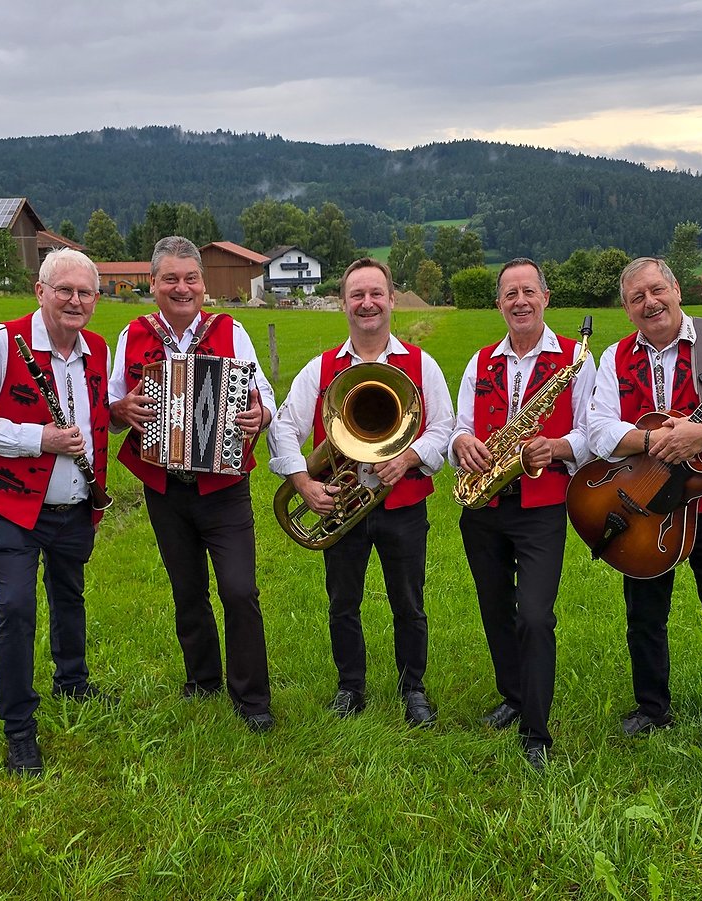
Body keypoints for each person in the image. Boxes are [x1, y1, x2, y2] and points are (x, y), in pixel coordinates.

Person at [587, 257, 702, 780]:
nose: (649, 303)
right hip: (645, 506)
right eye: (636, 298)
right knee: (644, 617)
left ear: (676, 290)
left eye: (656, 290)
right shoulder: (616, 357)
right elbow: (599, 429)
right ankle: (652, 708)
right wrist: (651, 440)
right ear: (627, 309)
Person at [0, 248, 113, 776]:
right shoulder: (2, 341)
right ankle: (19, 728)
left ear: (96, 299)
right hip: (12, 505)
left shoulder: (98, 349)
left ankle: (73, 683)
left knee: (69, 595)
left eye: (85, 292)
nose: (75, 300)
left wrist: (121, 413)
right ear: (40, 291)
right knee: (16, 608)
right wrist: (36, 439)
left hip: (76, 505)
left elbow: (94, 416)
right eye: (64, 290)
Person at [268, 258, 453, 727]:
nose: (367, 303)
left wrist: (409, 458)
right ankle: (350, 687)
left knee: (409, 603)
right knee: (342, 603)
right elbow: (284, 428)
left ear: (391, 299)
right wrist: (302, 482)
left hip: (403, 505)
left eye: (375, 294)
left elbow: (444, 427)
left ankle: (413, 689)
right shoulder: (322, 368)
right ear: (344, 303)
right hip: (340, 502)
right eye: (357, 295)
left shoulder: (421, 364)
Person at [108, 236, 277, 733]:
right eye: (170, 279)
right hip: (164, 486)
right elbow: (112, 411)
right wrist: (121, 409)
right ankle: (202, 679)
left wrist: (261, 415)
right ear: (153, 283)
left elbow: (264, 395)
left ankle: (252, 699)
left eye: (191, 278)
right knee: (187, 588)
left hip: (224, 488)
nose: (182, 288)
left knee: (239, 590)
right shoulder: (133, 334)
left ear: (203, 283)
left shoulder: (230, 330)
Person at [449, 257, 595, 772]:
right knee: (495, 609)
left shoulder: (576, 359)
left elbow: (592, 433)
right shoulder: (480, 360)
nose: (520, 301)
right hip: (485, 504)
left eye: (528, 291)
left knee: (534, 615)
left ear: (545, 298)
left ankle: (536, 731)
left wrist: (555, 447)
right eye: (510, 293)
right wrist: (462, 442)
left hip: (541, 506)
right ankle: (512, 696)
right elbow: (459, 426)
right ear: (499, 304)